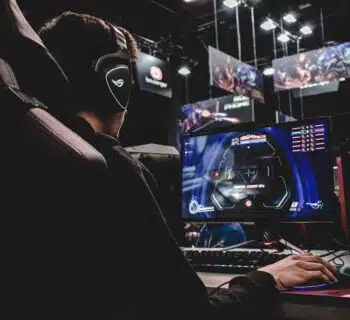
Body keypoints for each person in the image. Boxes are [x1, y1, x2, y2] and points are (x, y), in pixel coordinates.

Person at [39, 12, 338, 319]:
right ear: (116, 82)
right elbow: (192, 313)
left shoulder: (32, 159)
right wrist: (266, 278)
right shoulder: (105, 166)